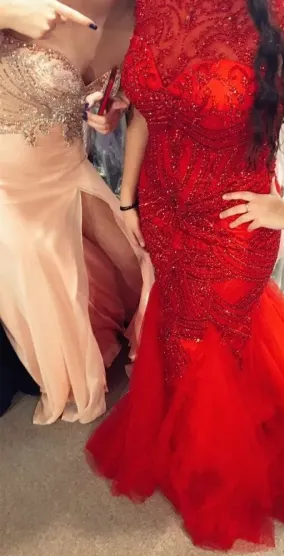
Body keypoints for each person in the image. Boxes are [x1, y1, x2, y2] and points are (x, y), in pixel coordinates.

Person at [86, 0, 284, 549]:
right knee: (180, 333)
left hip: (231, 226)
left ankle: (217, 468)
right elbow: (149, 107)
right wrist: (128, 195)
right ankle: (193, 441)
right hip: (161, 209)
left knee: (211, 342)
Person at [0, 0, 152, 425]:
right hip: (12, 190)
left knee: (135, 261)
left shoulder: (138, 17)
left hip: (70, 169)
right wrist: (6, 13)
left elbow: (114, 101)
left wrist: (107, 111)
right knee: (48, 289)